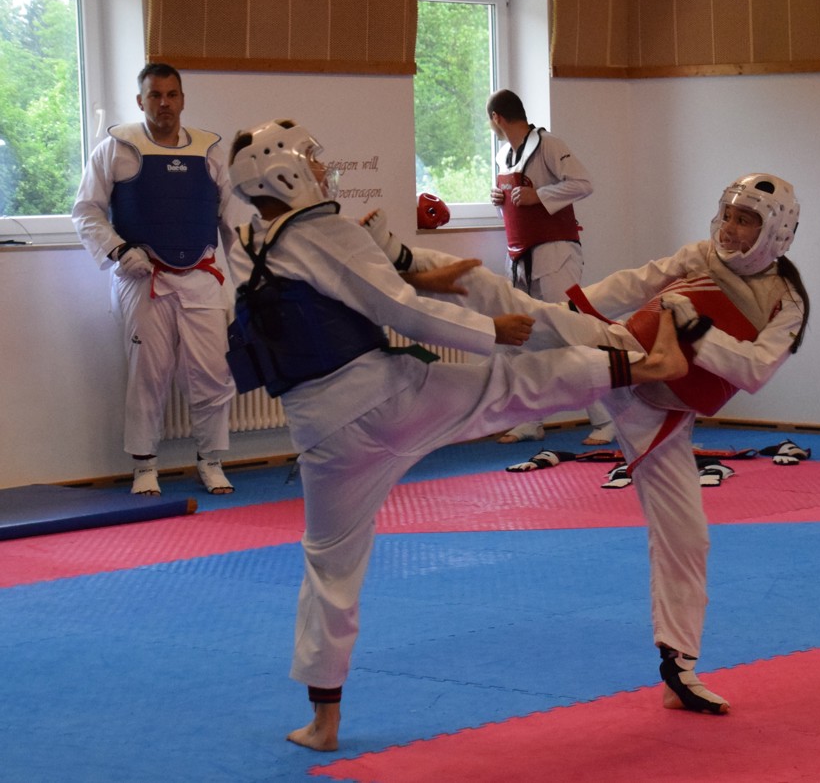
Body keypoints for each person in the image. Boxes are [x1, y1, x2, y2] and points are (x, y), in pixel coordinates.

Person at [223, 119, 688, 752]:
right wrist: (491, 331)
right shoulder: (323, 230)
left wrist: (414, 276)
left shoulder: (247, 246)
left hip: (321, 432)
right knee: (513, 384)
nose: (321, 168)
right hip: (387, 399)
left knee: (329, 563)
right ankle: (647, 367)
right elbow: (397, 310)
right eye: (309, 158)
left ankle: (323, 720)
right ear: (282, 172)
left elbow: (331, 295)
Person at [373, 173, 809, 716]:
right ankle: (404, 259)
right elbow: (635, 282)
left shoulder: (786, 301)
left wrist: (697, 327)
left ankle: (679, 669)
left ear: (776, 232)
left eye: (746, 221)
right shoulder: (700, 256)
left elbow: (755, 370)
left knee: (688, 536)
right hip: (623, 357)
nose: (731, 229)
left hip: (663, 411)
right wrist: (575, 310)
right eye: (729, 215)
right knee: (520, 317)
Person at [71, 62, 237, 496]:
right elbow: (86, 211)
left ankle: (211, 460)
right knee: (148, 374)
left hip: (202, 276)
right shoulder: (115, 148)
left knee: (213, 373)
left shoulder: (210, 151)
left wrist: (248, 280)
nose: (164, 103)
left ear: (182, 99)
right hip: (143, 277)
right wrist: (119, 251)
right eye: (155, 95)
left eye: (171, 94)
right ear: (140, 100)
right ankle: (145, 466)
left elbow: (231, 220)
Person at [487, 89, 616, 446]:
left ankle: (607, 418)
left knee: (571, 332)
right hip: (519, 256)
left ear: (497, 118)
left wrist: (539, 195)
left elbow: (583, 183)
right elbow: (516, 209)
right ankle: (529, 419)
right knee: (522, 339)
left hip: (556, 252)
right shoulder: (504, 156)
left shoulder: (548, 145)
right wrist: (499, 201)